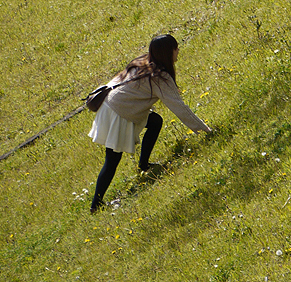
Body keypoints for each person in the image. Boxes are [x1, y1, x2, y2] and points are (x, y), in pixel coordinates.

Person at [88, 34, 211, 213]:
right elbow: (180, 108)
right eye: (176, 49)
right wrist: (206, 130)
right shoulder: (159, 77)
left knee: (155, 121)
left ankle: (144, 166)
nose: (178, 52)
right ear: (169, 52)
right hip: (119, 112)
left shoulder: (143, 62)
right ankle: (95, 205)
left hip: (110, 105)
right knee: (112, 160)